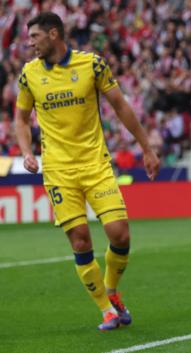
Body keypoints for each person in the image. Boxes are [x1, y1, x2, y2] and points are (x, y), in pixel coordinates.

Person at [14, 12, 160, 331]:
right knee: (80, 241)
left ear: (54, 34)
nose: (30, 43)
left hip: (95, 162)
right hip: (58, 170)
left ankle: (111, 289)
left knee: (119, 233)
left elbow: (121, 105)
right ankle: (106, 309)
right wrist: (27, 152)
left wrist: (146, 147)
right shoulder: (29, 74)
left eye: (35, 36)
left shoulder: (92, 64)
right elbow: (21, 119)